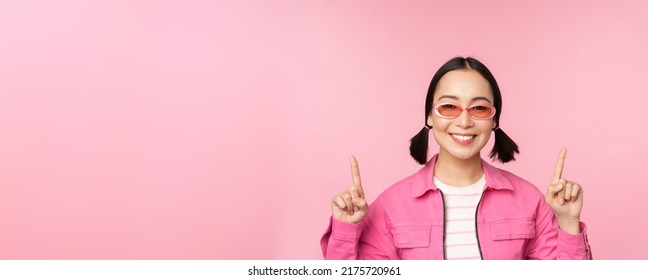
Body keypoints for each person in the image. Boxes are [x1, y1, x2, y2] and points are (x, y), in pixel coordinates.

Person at [320, 57, 592, 260]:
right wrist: (345, 230)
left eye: (479, 108)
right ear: (429, 115)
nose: (464, 121)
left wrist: (568, 223)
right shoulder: (390, 207)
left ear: (494, 119)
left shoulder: (530, 201)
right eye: (449, 106)